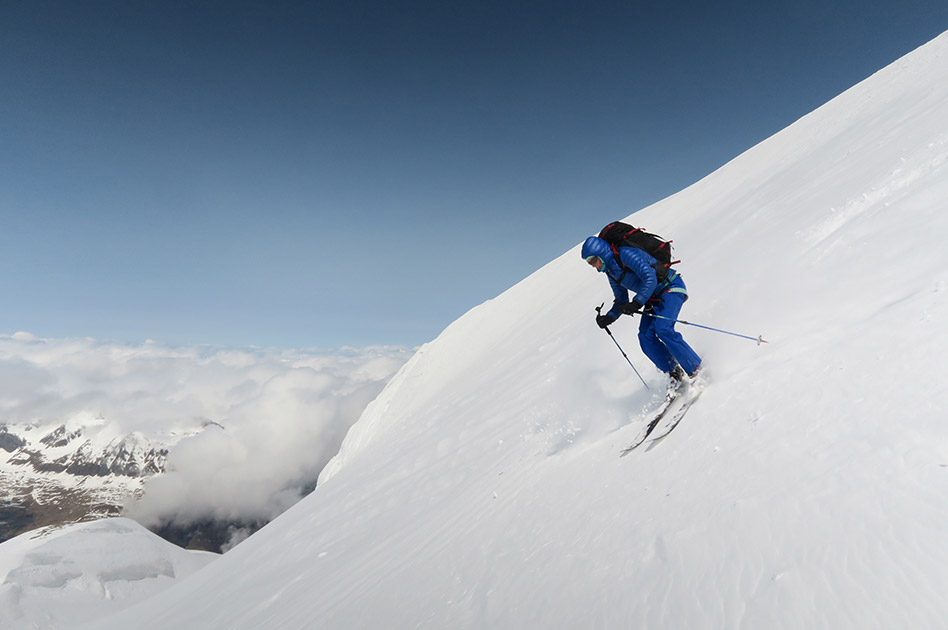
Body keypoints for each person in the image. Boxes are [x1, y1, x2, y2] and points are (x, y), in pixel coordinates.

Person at [581, 232, 702, 387]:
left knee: (663, 329)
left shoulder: (625, 254)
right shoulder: (611, 273)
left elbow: (649, 276)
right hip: (653, 298)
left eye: (592, 260)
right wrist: (609, 317)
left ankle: (696, 369)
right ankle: (675, 375)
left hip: (670, 286)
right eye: (588, 262)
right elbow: (621, 299)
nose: (592, 265)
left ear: (600, 254)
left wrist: (637, 302)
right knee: (645, 338)